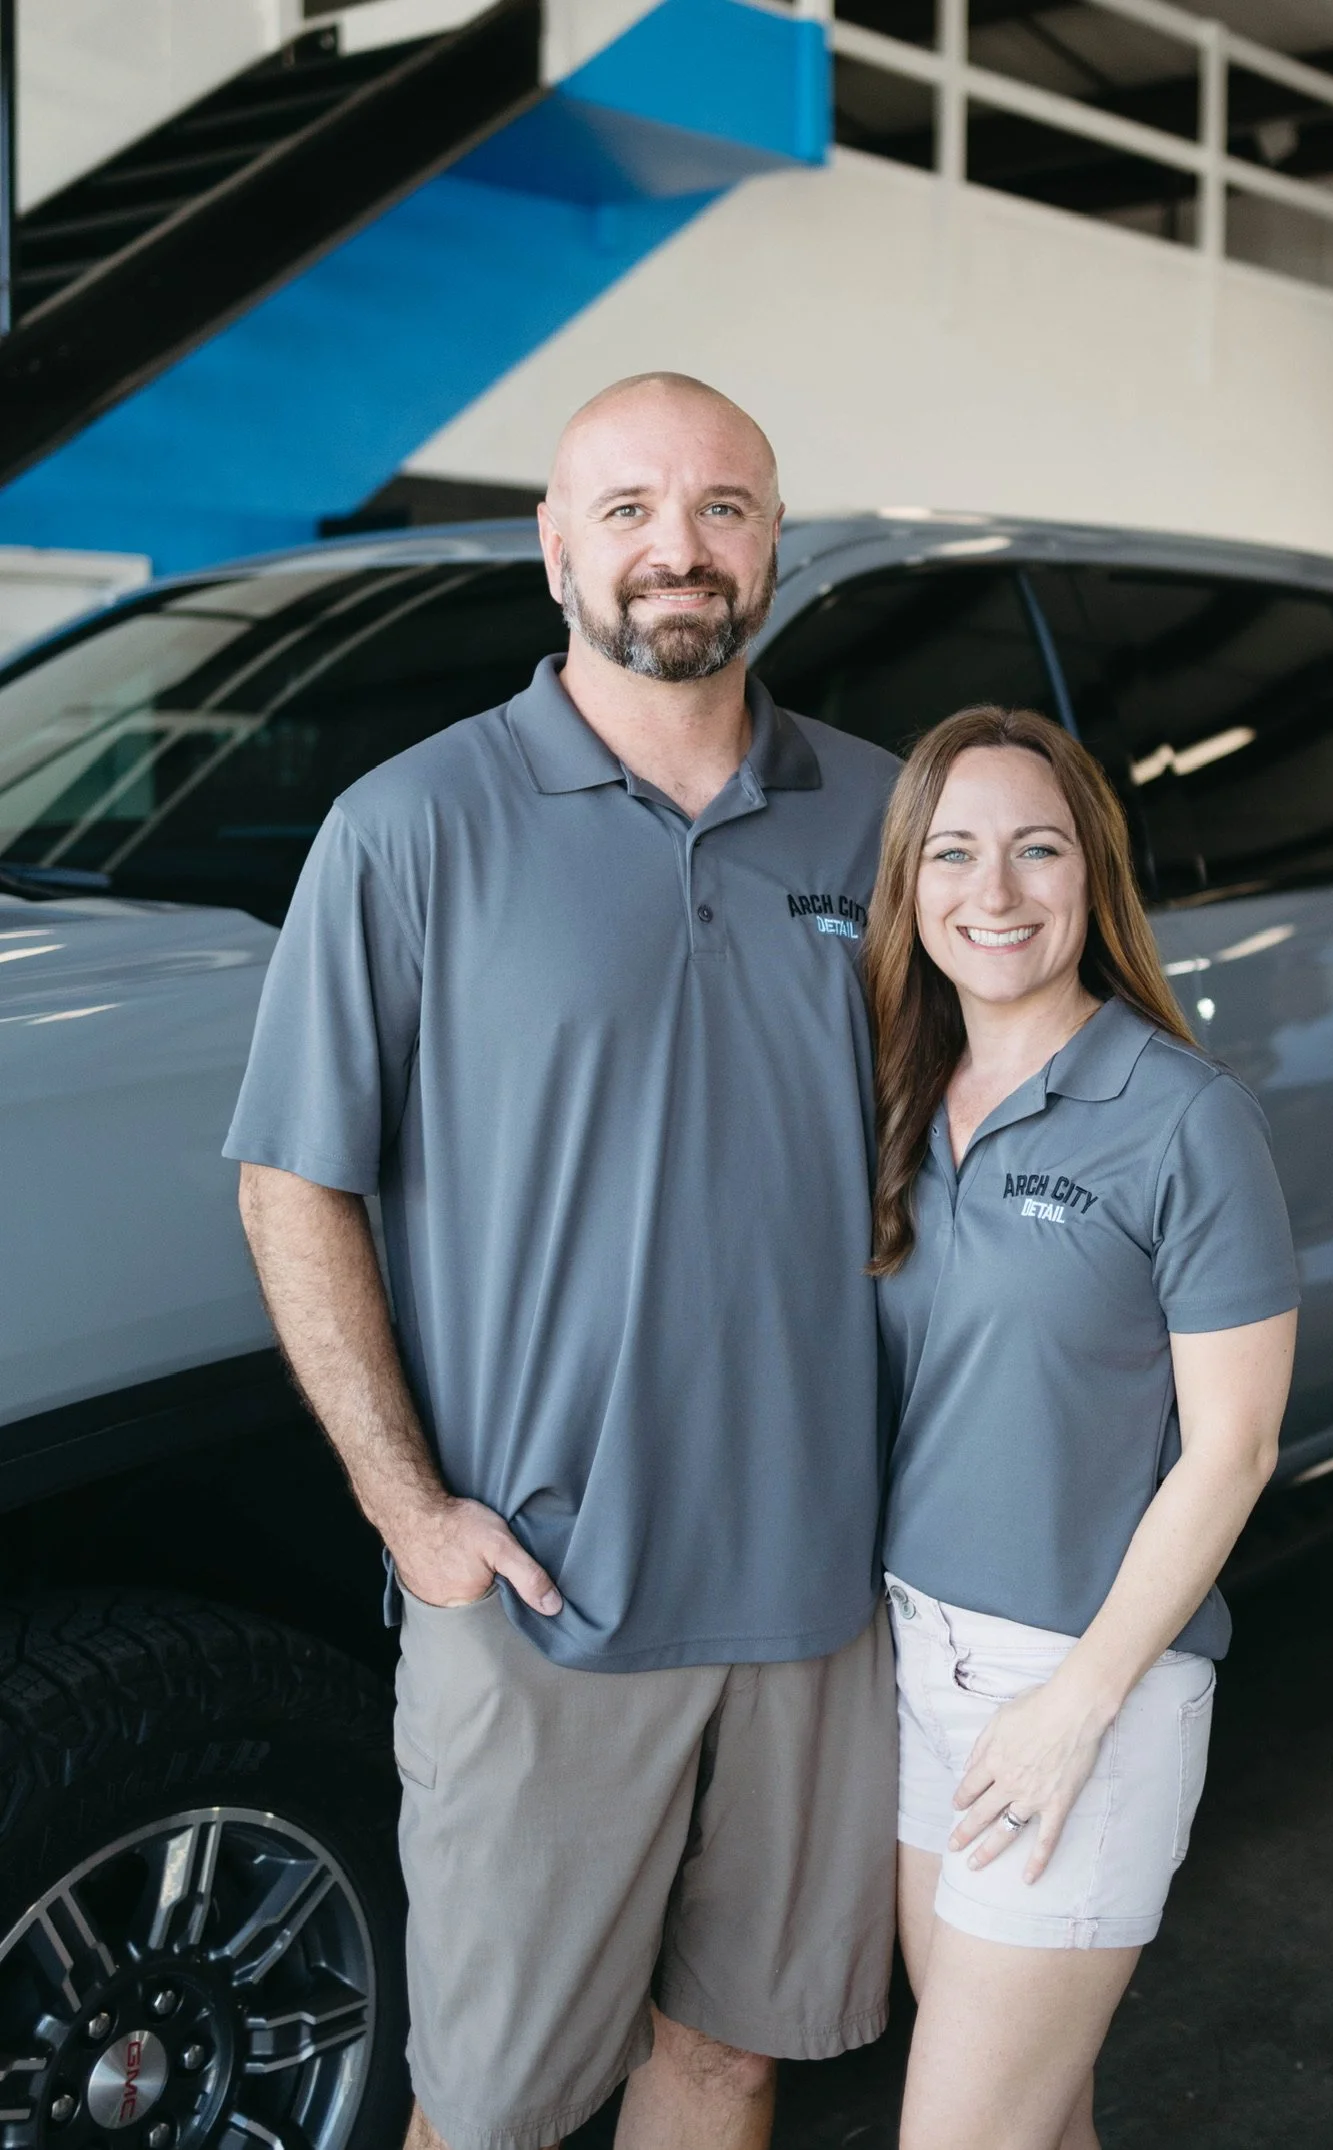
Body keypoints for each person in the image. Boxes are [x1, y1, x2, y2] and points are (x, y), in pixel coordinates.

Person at [225, 373, 900, 2150]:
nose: (677, 550)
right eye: (628, 511)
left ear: (774, 540)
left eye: (722, 509)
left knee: (730, 2052)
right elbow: (296, 1183)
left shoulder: (888, 826)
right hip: (540, 1597)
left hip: (824, 1590)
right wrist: (405, 1506)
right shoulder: (410, 827)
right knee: (497, 2106)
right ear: (553, 547)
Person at [864, 705, 1299, 2150]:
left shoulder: (1183, 1120)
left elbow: (1232, 1451)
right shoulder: (902, 1097)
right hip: (918, 1660)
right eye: (957, 853)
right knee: (1038, 2119)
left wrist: (1073, 1706)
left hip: (1077, 1686)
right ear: (910, 884)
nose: (995, 894)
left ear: (1092, 874)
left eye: (1037, 849)